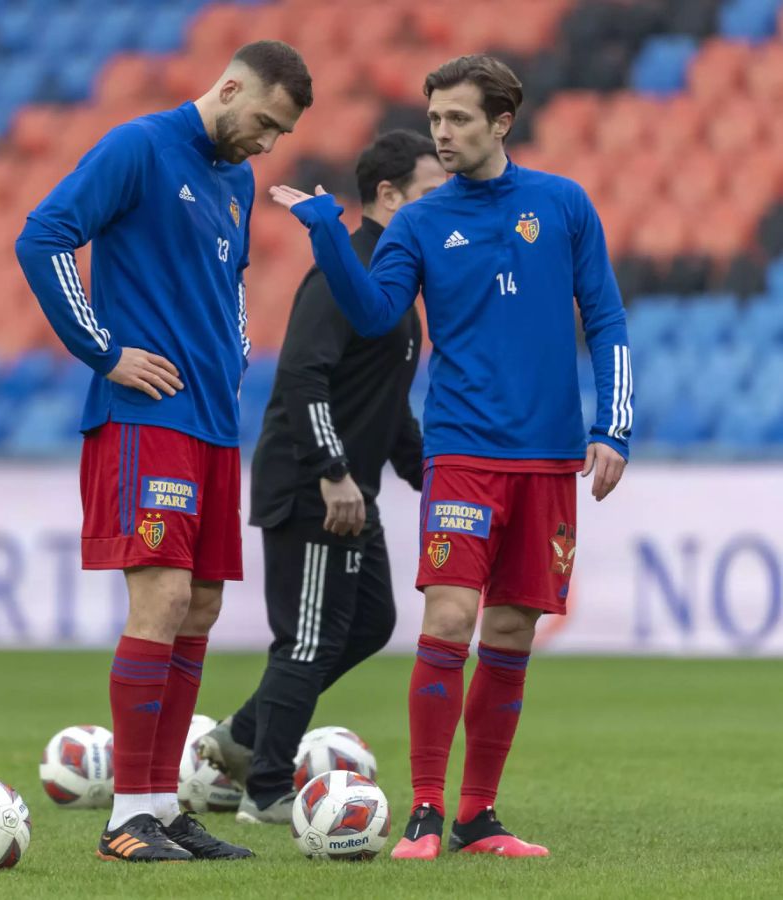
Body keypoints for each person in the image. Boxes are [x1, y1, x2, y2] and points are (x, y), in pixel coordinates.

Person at [270, 54, 632, 860]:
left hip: (547, 458)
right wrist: (330, 235)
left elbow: (605, 318)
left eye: (458, 118)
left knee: (510, 631)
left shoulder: (563, 204)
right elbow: (373, 313)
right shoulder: (420, 224)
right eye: (435, 118)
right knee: (451, 615)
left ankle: (478, 816)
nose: (442, 131)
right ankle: (426, 811)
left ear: (501, 122)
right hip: (462, 449)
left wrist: (615, 427)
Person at [15, 40, 313, 863]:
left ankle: (159, 806)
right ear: (228, 88)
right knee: (163, 597)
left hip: (214, 424)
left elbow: (229, 293)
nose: (267, 144)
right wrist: (105, 351)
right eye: (263, 122)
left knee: (201, 608)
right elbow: (43, 238)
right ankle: (124, 822)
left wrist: (234, 365)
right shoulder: (138, 148)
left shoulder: (237, 182)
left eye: (280, 133)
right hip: (146, 419)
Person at [197, 131, 446, 824]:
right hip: (314, 483)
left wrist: (436, 476)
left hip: (347, 490)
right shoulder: (346, 271)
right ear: (388, 197)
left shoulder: (395, 285)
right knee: (308, 640)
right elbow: (303, 374)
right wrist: (334, 471)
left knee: (370, 622)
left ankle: (246, 735)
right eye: (431, 195)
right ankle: (267, 788)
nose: (444, 207)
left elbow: (388, 409)